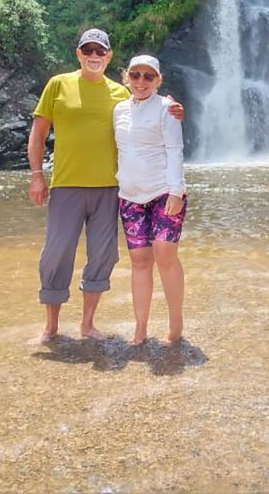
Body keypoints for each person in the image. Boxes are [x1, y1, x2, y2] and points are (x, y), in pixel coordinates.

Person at [27, 29, 182, 343]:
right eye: (89, 51)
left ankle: (87, 324)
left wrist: (174, 107)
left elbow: (150, 109)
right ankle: (51, 326)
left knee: (103, 256)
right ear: (79, 54)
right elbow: (38, 133)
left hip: (110, 190)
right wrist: (36, 175)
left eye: (101, 51)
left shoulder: (120, 95)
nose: (95, 56)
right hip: (67, 185)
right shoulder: (58, 84)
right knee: (56, 254)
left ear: (109, 57)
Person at [113, 54, 187, 346]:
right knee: (140, 261)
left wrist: (176, 191)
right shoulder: (118, 109)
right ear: (126, 78)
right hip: (129, 195)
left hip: (163, 192)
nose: (141, 81)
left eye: (148, 76)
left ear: (158, 80)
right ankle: (140, 327)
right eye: (135, 75)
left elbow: (175, 150)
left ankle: (175, 323)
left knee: (164, 253)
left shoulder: (167, 108)